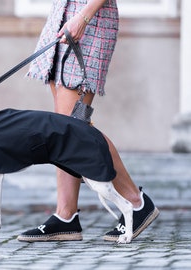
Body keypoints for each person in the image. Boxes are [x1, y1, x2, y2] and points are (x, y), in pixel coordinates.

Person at [17, 0, 159, 242]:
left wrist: (83, 17)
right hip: (62, 16)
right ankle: (66, 215)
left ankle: (136, 203)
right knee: (65, 125)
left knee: (72, 126)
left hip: (89, 20)